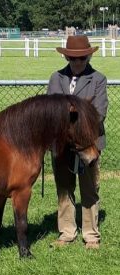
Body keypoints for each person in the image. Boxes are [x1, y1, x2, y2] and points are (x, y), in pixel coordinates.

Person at [47, 35, 108, 249]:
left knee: (89, 189)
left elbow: (98, 114)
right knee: (64, 188)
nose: (78, 62)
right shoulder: (56, 78)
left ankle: (91, 235)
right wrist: (72, 114)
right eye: (74, 59)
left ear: (88, 56)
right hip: (62, 145)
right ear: (67, 58)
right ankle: (66, 232)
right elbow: (51, 111)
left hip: (88, 143)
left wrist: (70, 115)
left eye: (82, 58)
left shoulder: (98, 79)